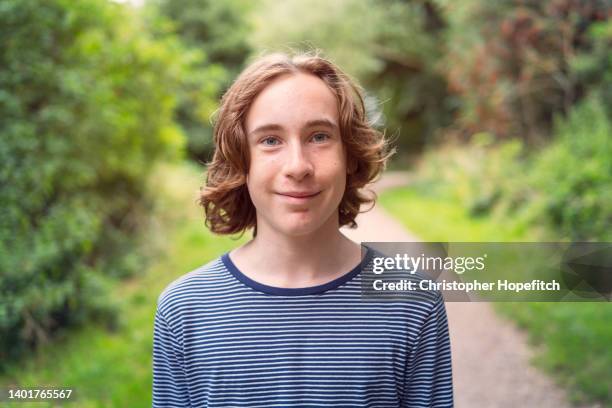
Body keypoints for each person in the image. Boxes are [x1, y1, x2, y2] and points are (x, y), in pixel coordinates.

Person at [152, 52, 453, 407]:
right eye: (270, 140)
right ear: (241, 160)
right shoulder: (185, 310)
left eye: (319, 136)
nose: (297, 166)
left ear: (349, 155)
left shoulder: (413, 301)